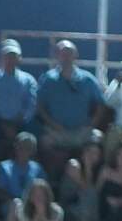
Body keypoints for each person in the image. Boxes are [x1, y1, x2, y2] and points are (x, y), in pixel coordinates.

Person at [35, 39, 100, 167]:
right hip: (57, 131)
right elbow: (39, 106)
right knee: (44, 141)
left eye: (69, 53)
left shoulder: (88, 79)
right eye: (62, 53)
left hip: (81, 131)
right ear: (57, 56)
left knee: (98, 138)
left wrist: (91, 124)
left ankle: (90, 179)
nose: (66, 57)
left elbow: (101, 105)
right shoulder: (48, 79)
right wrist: (52, 124)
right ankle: (51, 180)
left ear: (76, 55)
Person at [0, 39, 37, 161]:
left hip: (20, 122)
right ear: (2, 58)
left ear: (19, 58)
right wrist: (3, 122)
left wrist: (21, 118)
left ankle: (30, 162)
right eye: (7, 56)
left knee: (33, 128)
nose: (10, 60)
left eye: (13, 56)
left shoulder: (29, 80)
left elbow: (31, 105)